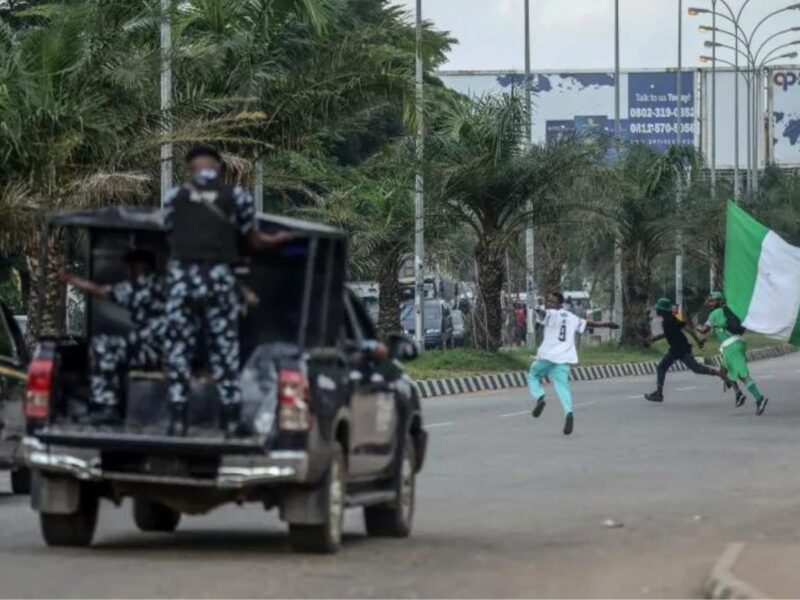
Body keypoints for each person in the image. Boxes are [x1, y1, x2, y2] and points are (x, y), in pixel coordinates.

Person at [163, 144, 292, 437]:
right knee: (223, 350)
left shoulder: (174, 197)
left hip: (182, 280)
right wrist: (280, 240)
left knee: (179, 350)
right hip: (219, 278)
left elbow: (169, 235)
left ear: (191, 168)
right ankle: (231, 421)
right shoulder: (236, 197)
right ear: (219, 167)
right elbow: (254, 240)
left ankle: (178, 420)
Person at [58, 250, 166, 425]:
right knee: (110, 344)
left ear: (141, 266)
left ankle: (106, 406)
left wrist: (70, 279)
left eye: (131, 267)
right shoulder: (160, 283)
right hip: (159, 346)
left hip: (155, 348)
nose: (129, 271)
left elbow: (105, 292)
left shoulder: (145, 284)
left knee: (102, 346)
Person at [528, 292, 619, 436]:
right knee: (563, 388)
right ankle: (568, 413)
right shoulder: (571, 317)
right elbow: (588, 323)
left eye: (552, 302)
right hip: (564, 358)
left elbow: (544, 313)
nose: (550, 304)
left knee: (533, 375)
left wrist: (537, 309)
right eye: (549, 301)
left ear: (559, 304)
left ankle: (540, 397)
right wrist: (607, 324)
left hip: (548, 356)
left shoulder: (550, 313)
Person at [696, 292, 768, 415]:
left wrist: (695, 326)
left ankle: (759, 399)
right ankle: (738, 393)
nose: (710, 303)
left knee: (743, 375)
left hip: (731, 347)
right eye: (710, 301)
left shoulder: (715, 313)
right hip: (733, 345)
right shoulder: (729, 311)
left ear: (718, 301)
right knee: (723, 371)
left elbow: (703, 330)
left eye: (712, 301)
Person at [645, 297, 725, 404]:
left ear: (663, 310)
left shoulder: (672, 319)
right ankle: (659, 393)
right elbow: (669, 333)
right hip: (677, 348)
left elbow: (688, 329)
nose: (657, 311)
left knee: (694, 368)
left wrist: (698, 341)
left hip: (680, 349)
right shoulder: (667, 320)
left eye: (658, 309)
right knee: (692, 368)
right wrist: (654, 339)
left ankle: (720, 374)